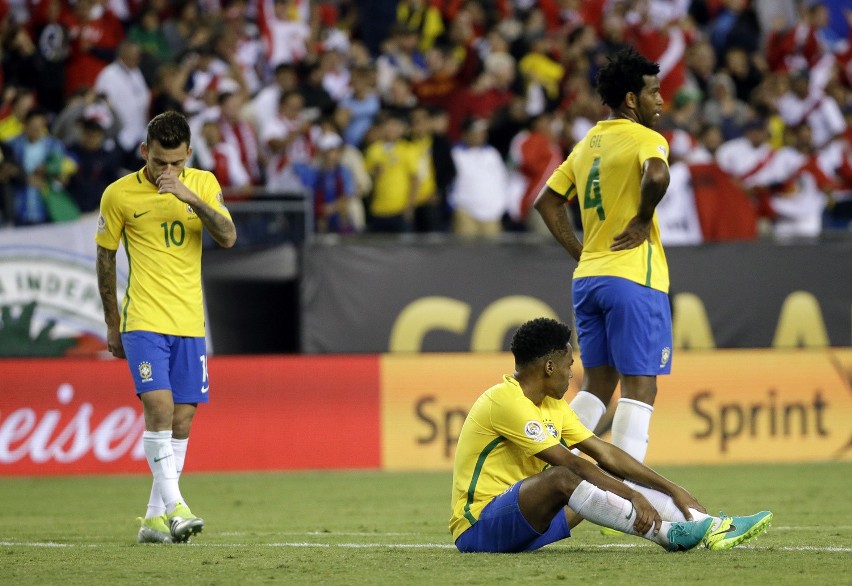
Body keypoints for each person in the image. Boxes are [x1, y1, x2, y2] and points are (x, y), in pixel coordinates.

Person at [450, 317, 773, 554]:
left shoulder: (553, 404)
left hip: (527, 525)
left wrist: (672, 488)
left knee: (605, 479)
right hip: (480, 529)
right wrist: (633, 496)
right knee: (568, 476)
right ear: (549, 367)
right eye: (568, 364)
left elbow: (605, 453)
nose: (571, 373)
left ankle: (709, 526)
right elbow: (572, 466)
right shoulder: (505, 400)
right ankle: (667, 535)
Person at [95, 111, 237, 544]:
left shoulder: (204, 184)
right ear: (145, 153)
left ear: (189, 155)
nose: (167, 171)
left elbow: (228, 236)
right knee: (157, 408)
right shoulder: (118, 196)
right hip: (144, 321)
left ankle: (154, 519)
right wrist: (112, 323)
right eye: (160, 163)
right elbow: (105, 259)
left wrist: (189, 197)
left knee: (182, 416)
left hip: (190, 321)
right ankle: (177, 509)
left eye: (176, 163)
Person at [533, 47, 671, 463]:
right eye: (654, 92)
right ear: (631, 99)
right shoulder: (647, 138)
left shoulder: (584, 145)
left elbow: (547, 202)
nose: (661, 101)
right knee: (640, 386)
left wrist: (582, 252)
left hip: (590, 277)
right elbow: (658, 174)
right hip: (634, 277)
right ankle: (628, 496)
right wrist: (643, 218)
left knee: (596, 385)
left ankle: (543, 470)